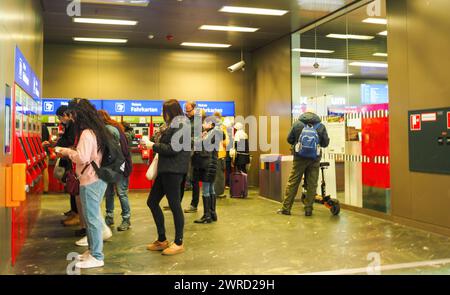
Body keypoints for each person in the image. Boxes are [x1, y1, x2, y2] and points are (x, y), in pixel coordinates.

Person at [57, 98, 112, 269]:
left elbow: (83, 157)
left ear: (78, 114)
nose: (71, 118)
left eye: (72, 114)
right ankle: (92, 250)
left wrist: (65, 151)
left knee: (92, 219)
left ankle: (97, 256)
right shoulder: (96, 130)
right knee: (91, 218)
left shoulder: (88, 133)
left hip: (91, 180)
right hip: (95, 178)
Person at [145, 99, 190, 256]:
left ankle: (178, 242)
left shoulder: (181, 125)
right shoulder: (174, 125)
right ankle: (162, 239)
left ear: (171, 111)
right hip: (166, 169)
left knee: (175, 205)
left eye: (164, 111)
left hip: (174, 170)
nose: (162, 114)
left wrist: (153, 146)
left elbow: (173, 149)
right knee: (152, 201)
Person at [277, 111, 330, 217]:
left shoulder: (297, 124)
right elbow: (325, 143)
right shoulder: (320, 126)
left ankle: (286, 208)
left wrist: (298, 144)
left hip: (299, 158)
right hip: (314, 159)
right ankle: (308, 209)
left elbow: (289, 139)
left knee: (293, 182)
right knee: (312, 183)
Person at [98, 110, 133, 231]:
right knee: (112, 193)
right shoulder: (114, 126)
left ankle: (126, 219)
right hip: (115, 165)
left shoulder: (109, 130)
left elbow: (114, 151)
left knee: (120, 192)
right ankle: (110, 217)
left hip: (118, 165)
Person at [192, 112, 222, 224]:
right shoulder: (214, 132)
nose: (203, 124)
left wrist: (199, 139)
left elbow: (203, 146)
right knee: (210, 189)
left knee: (205, 190)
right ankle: (212, 213)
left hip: (207, 164)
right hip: (212, 163)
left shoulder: (213, 133)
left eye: (205, 122)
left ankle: (206, 215)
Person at [183, 101, 201, 213]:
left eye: (188, 110)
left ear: (194, 109)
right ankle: (175, 203)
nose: (187, 112)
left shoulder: (199, 121)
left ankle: (194, 204)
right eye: (185, 110)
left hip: (195, 153)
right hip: (185, 151)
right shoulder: (186, 119)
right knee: (181, 178)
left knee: (194, 179)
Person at [213, 112, 229, 198]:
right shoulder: (223, 128)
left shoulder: (211, 127)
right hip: (220, 154)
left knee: (215, 174)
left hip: (212, 154)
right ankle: (219, 193)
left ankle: (214, 192)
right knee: (220, 175)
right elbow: (226, 142)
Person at [41, 123, 51, 194]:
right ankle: (45, 189)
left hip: (41, 151)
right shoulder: (44, 127)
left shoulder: (41, 127)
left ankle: (44, 189)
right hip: (46, 151)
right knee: (45, 170)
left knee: (44, 170)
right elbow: (48, 138)